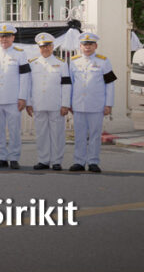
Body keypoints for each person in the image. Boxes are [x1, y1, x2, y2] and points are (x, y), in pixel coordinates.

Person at [66, 32, 115, 173]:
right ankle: (79, 161)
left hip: (96, 104)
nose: (87, 47)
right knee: (79, 135)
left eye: (90, 45)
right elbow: (70, 83)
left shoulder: (104, 61)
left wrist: (108, 104)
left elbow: (110, 84)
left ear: (95, 46)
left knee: (94, 135)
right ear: (80, 46)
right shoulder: (74, 61)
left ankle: (93, 161)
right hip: (78, 104)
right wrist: (69, 102)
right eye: (84, 45)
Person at [0, 23, 30, 169]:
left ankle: (14, 157)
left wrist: (23, 97)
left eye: (7, 36)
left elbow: (25, 77)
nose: (4, 39)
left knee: (14, 130)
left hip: (13, 99)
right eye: (1, 36)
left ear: (13, 37)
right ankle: (1, 157)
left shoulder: (20, 53)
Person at [28, 32, 71, 171]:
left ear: (52, 47)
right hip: (38, 103)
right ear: (38, 48)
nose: (45, 49)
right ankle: (43, 160)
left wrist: (65, 104)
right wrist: (29, 103)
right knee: (41, 133)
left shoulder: (61, 64)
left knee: (57, 134)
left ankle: (56, 161)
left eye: (47, 46)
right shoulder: (33, 64)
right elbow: (28, 85)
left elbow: (66, 85)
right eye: (42, 46)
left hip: (56, 104)